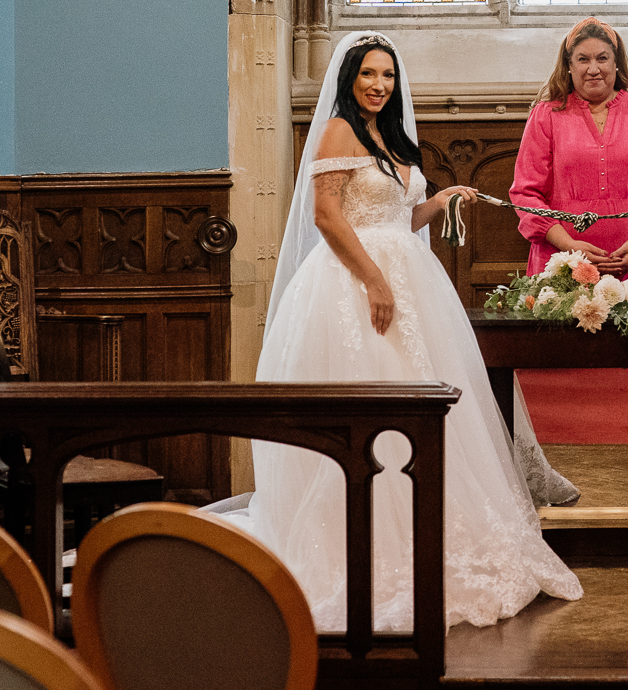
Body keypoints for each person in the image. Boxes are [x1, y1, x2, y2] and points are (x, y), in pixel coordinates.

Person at [243, 32, 583, 631]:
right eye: (369, 75)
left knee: (431, 402)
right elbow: (327, 215)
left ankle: (431, 529)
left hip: (410, 277)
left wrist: (441, 199)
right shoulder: (339, 131)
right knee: (374, 400)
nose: (379, 86)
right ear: (349, 79)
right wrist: (374, 280)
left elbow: (398, 215)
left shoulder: (391, 136)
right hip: (353, 285)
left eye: (389, 76)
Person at [507, 18, 628, 492]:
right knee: (566, 389)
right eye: (582, 59)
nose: (593, 68)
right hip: (563, 267)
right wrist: (568, 245)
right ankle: (552, 486)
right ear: (567, 67)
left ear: (617, 63)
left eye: (602, 58)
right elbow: (525, 195)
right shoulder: (546, 115)